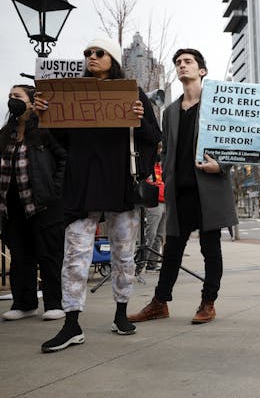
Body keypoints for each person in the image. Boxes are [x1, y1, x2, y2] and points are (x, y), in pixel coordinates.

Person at [36, 38, 161, 352]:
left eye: (98, 52)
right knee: (75, 257)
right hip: (83, 185)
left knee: (124, 253)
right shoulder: (72, 94)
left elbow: (154, 137)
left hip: (121, 183)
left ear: (113, 59)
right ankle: (72, 322)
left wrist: (140, 117)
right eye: (87, 52)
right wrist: (47, 116)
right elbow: (60, 140)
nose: (91, 56)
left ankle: (121, 313)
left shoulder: (133, 93)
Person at [129, 49, 238, 326]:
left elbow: (236, 144)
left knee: (210, 247)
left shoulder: (219, 104)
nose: (181, 65)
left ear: (202, 70)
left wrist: (221, 166)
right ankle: (160, 302)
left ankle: (208, 302)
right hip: (180, 191)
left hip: (209, 189)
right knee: (172, 249)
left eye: (188, 62)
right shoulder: (170, 112)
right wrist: (166, 174)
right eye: (178, 63)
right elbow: (166, 152)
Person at [0, 85, 66, 322]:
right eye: (9, 97)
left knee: (49, 255)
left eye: (16, 96)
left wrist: (55, 190)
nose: (11, 101)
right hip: (12, 206)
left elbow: (63, 159)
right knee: (20, 256)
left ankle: (54, 303)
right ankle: (24, 303)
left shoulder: (45, 131)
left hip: (43, 204)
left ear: (31, 102)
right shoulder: (5, 133)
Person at [142, 142, 166, 272]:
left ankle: (152, 263)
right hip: (154, 203)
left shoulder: (163, 165)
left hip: (165, 202)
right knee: (150, 234)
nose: (160, 151)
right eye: (159, 149)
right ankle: (141, 263)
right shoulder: (149, 165)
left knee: (159, 236)